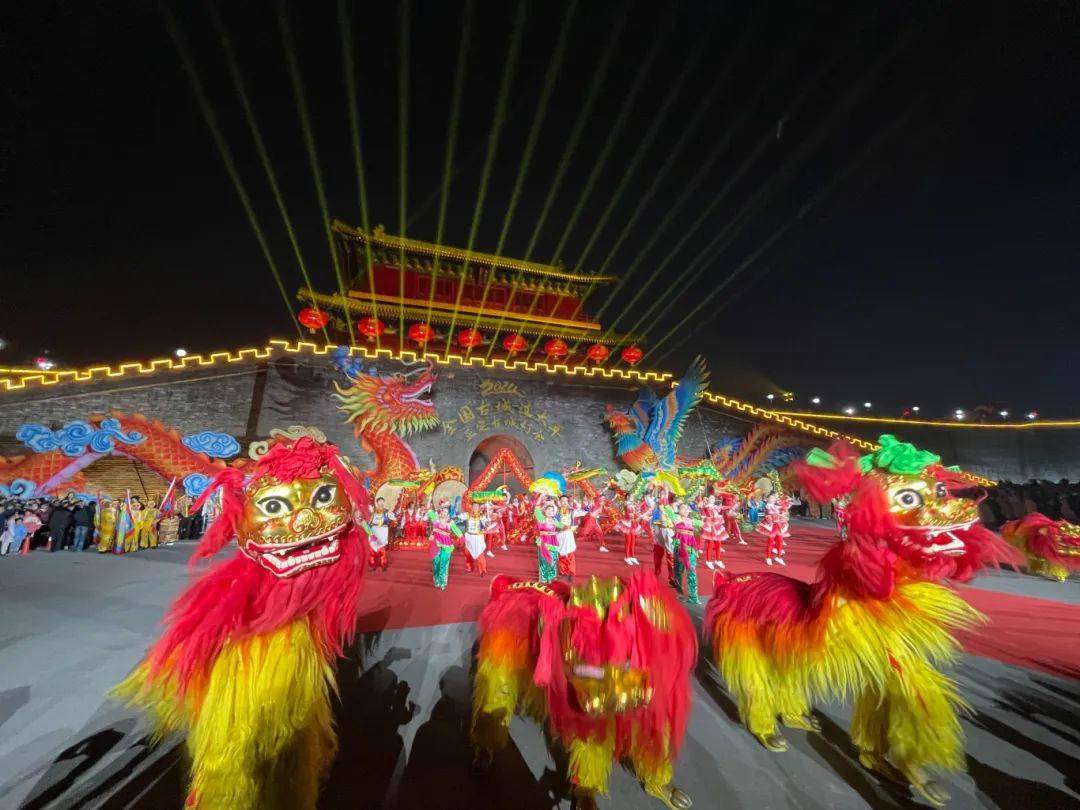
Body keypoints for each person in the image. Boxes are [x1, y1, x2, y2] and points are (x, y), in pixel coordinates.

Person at [672, 502, 704, 604]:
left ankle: (693, 597)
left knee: (692, 572)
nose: (686, 510)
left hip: (691, 550)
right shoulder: (676, 518)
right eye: (683, 508)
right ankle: (679, 593)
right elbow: (675, 520)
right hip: (679, 549)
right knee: (678, 572)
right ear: (678, 510)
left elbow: (703, 524)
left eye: (687, 509)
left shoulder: (691, 520)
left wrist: (706, 520)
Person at [428, 502, 461, 589]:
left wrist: (462, 538)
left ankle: (443, 582)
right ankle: (436, 580)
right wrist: (430, 500)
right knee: (436, 563)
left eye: (445, 512)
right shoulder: (436, 519)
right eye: (442, 511)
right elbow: (429, 510)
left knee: (444, 563)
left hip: (446, 546)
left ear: (448, 514)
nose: (443, 513)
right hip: (435, 545)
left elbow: (457, 531)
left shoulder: (450, 522)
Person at [534, 499, 561, 584]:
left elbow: (563, 526)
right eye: (548, 509)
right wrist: (541, 496)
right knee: (544, 560)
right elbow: (537, 507)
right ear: (544, 511)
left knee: (553, 559)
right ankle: (544, 577)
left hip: (553, 542)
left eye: (552, 510)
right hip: (544, 541)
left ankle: (551, 577)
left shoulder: (555, 521)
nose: (550, 511)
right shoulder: (541, 519)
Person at [365, 496, 394, 571]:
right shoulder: (373, 511)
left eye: (382, 501)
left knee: (382, 549)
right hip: (374, 530)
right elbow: (369, 522)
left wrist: (393, 516)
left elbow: (394, 519)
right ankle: (372, 564)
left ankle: (383, 564)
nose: (381, 503)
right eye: (379, 501)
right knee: (372, 548)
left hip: (383, 531)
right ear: (377, 503)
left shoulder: (387, 512)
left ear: (384, 502)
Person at [699, 494, 726, 571]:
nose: (712, 499)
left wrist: (729, 506)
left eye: (714, 498)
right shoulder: (706, 506)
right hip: (709, 527)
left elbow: (721, 508)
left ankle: (718, 560)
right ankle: (708, 561)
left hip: (717, 527)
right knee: (710, 544)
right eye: (711, 498)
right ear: (708, 498)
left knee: (718, 544)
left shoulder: (715, 507)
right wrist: (702, 501)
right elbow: (701, 508)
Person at [461, 503, 488, 576]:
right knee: (467, 553)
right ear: (471, 507)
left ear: (479, 507)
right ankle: (469, 567)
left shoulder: (482, 516)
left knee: (480, 553)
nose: (475, 507)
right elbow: (458, 517)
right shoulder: (467, 515)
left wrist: (487, 522)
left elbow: (486, 524)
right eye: (474, 506)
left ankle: (482, 569)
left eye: (477, 506)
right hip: (469, 537)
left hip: (478, 537)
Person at [556, 496, 577, 581]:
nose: (564, 502)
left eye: (565, 501)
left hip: (568, 534)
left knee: (570, 553)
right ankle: (563, 572)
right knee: (561, 553)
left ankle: (571, 573)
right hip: (560, 534)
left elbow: (584, 511)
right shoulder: (556, 512)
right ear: (559, 502)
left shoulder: (571, 511)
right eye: (562, 501)